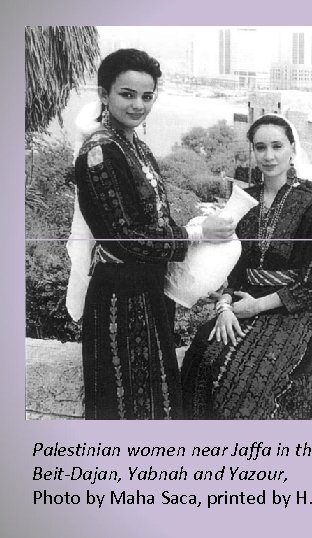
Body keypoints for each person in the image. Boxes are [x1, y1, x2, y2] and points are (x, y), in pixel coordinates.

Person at [73, 48, 235, 419]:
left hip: (149, 294)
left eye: (147, 96)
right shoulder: (100, 154)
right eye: (126, 94)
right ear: (103, 95)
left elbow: (155, 222)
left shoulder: (138, 148)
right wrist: (196, 233)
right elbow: (125, 238)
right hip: (117, 297)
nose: (138, 105)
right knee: (123, 404)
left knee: (155, 401)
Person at [181, 114, 312, 420]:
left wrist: (256, 307)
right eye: (260, 147)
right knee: (202, 356)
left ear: (292, 149)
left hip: (293, 308)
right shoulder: (243, 200)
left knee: (247, 379)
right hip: (242, 300)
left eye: (277, 146)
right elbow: (231, 266)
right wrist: (224, 306)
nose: (269, 155)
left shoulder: (309, 204)